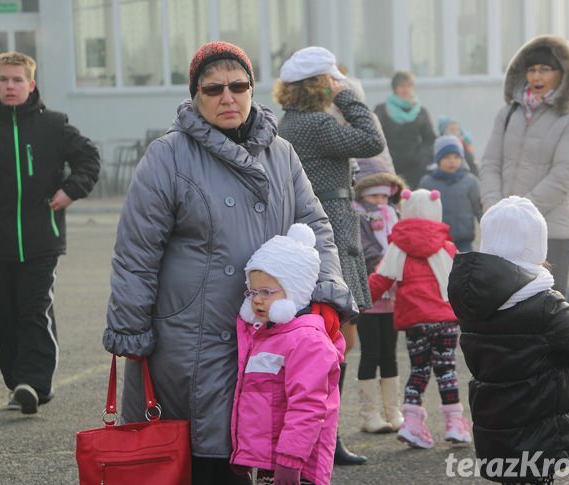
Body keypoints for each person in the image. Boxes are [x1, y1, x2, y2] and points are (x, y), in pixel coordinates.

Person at [102, 41, 356, 485]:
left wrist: (326, 294)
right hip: (189, 341)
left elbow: (316, 226)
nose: (228, 97)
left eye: (239, 86)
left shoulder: (281, 154)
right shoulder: (168, 156)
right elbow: (136, 253)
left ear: (253, 90)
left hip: (266, 334)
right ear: (196, 95)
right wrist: (131, 330)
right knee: (198, 460)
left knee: (250, 449)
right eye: (213, 88)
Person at [0, 51, 100, 415]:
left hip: (43, 240)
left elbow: (89, 158)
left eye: (18, 80)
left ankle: (35, 382)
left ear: (31, 84)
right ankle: (19, 382)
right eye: (5, 80)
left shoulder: (54, 126)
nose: (11, 86)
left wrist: (71, 190)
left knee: (34, 308)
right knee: (5, 316)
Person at [447, 196, 569, 484]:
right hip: (538, 433)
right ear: (536, 247)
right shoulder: (544, 303)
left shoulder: (472, 297)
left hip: (493, 426)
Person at [274, 45, 385, 466]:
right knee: (335, 340)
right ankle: (323, 437)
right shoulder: (316, 124)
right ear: (320, 84)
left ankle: (320, 435)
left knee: (332, 338)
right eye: (332, 78)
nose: (338, 83)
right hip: (332, 233)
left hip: (326, 231)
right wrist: (348, 96)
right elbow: (372, 139)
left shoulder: (294, 123)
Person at [479, 35, 569, 300]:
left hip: (550, 230)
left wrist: (519, 214)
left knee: (548, 308)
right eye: (531, 69)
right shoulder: (508, 113)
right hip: (503, 230)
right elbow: (490, 164)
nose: (536, 75)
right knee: (504, 306)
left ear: (562, 74)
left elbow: (564, 174)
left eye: (545, 69)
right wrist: (497, 210)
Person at [231, 224, 344, 485]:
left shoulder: (306, 341)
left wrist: (290, 461)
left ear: (294, 292)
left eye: (267, 292)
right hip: (268, 460)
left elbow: (307, 407)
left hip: (296, 465)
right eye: (252, 291)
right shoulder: (264, 335)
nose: (256, 300)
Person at [369, 188, 472, 449]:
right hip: (444, 319)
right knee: (446, 369)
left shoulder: (398, 247)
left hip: (414, 321)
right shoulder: (446, 246)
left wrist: (354, 302)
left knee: (419, 370)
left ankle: (412, 424)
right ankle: (455, 424)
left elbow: (380, 280)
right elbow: (462, 282)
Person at [352, 153, 407, 434]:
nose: (381, 203)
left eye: (385, 197)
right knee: (370, 352)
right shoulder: (356, 215)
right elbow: (365, 251)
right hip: (369, 293)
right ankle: (369, 414)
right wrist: (390, 266)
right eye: (375, 197)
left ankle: (393, 410)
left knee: (390, 353)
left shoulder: (394, 215)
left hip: (392, 296)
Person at [419, 135, 482, 252]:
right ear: (438, 159)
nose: (452, 160)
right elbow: (420, 213)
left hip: (464, 243)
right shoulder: (427, 182)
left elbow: (479, 209)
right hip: (437, 243)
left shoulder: (470, 181)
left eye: (456, 157)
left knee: (464, 269)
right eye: (447, 157)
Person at [374, 70, 437, 188]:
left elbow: (430, 140)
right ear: (395, 88)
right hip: (387, 166)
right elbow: (374, 136)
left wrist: (421, 158)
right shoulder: (382, 110)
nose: (405, 89)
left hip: (414, 169)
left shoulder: (420, 112)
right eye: (402, 86)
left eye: (409, 86)